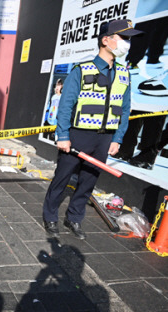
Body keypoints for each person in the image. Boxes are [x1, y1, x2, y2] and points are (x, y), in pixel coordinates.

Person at [42, 19, 143, 240]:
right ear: (105, 40)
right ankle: (50, 216)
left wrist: (117, 138)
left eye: (128, 39)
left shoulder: (124, 74)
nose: (127, 43)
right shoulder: (82, 70)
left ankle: (74, 218)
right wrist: (63, 135)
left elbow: (125, 110)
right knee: (62, 178)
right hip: (78, 135)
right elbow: (66, 105)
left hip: (104, 139)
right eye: (123, 38)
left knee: (88, 181)